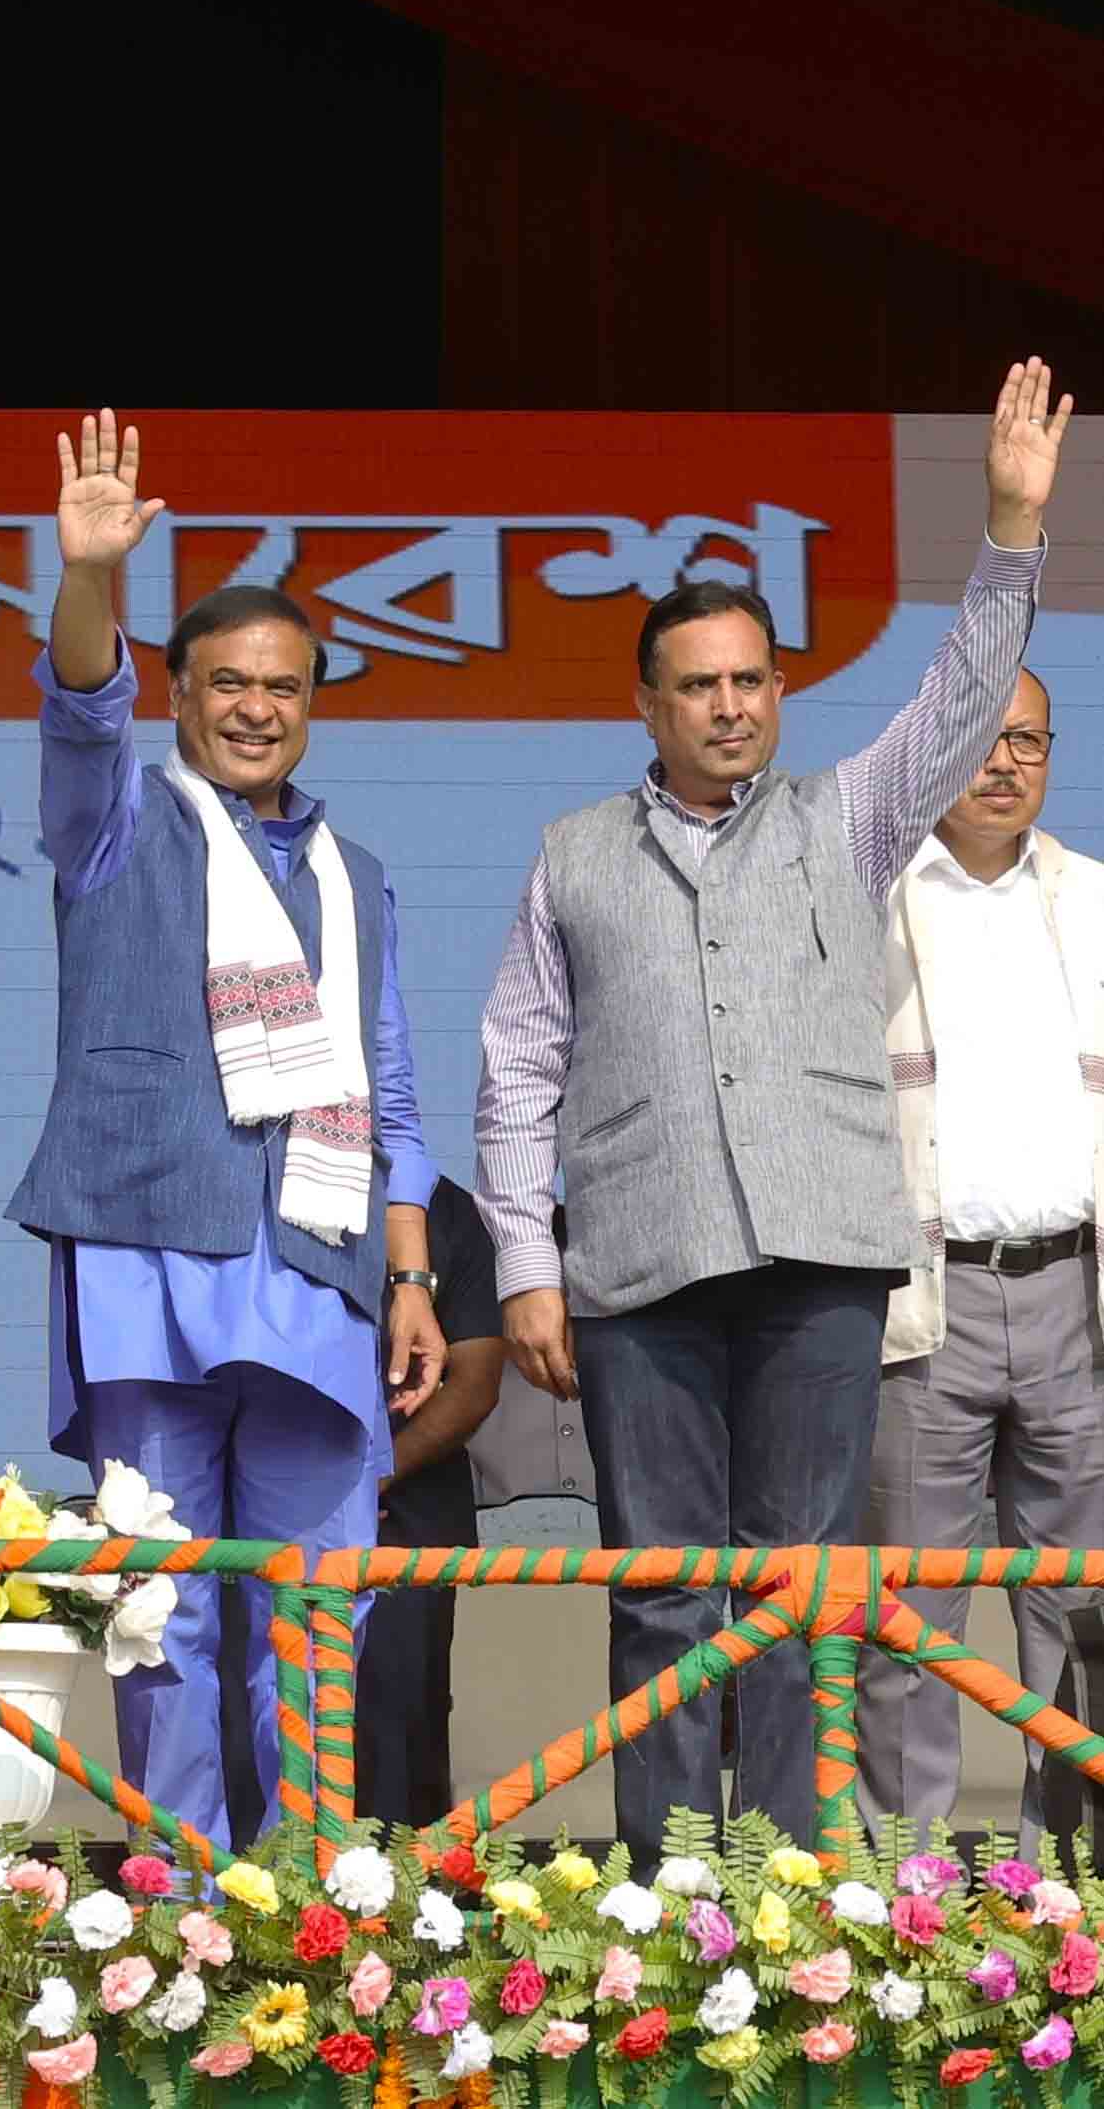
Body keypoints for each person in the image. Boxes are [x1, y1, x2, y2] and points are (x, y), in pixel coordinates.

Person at [476, 360, 1069, 1855]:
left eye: (749, 680)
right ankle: (670, 1896)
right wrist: (528, 1269)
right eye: (697, 684)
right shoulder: (570, 853)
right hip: (638, 1273)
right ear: (647, 702)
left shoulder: (848, 817)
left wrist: (1007, 531)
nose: (727, 706)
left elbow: (954, 700)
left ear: (777, 693)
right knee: (664, 1589)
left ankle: (795, 1894)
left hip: (817, 1264)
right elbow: (517, 1066)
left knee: (803, 1589)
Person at [4, 410, 447, 1852]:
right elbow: (79, 705)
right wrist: (87, 580)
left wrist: (415, 1270)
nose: (255, 708)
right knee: (161, 1604)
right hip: (149, 1260)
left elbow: (386, 1078)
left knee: (315, 1612)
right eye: (225, 684)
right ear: (179, 694)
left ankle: (306, 1893)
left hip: (315, 1267)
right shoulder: (118, 821)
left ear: (310, 703)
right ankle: (185, 1890)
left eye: (282, 687)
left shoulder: (352, 870)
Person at [860, 668, 1104, 1842]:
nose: (1004, 762)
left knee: (1079, 1612)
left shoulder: (1090, 898)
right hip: (923, 1301)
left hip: (1076, 1296)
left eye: (1029, 740)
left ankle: (1066, 1878)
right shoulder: (870, 898)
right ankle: (902, 1901)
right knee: (913, 1616)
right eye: (981, 737)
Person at [351, 1174, 507, 1829]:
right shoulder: (279, 1189)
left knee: (400, 1727)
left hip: (409, 1520)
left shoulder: (450, 1213)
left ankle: (407, 1914)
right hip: (282, 1512)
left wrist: (373, 1480)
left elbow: (475, 1383)